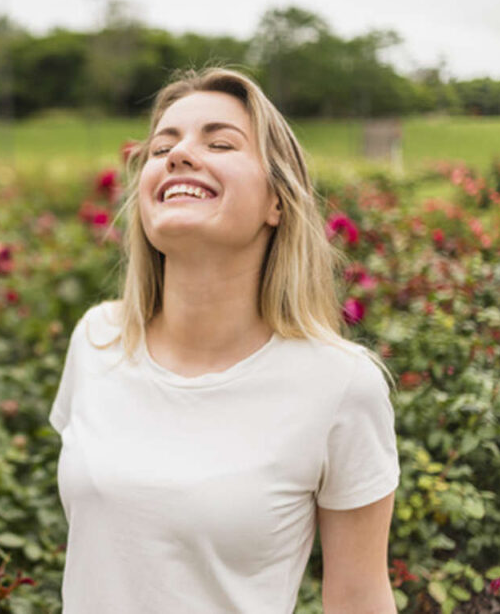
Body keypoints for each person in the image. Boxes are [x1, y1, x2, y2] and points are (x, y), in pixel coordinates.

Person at [49, 67, 401, 613]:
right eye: (162, 146)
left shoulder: (341, 386)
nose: (179, 155)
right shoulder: (97, 341)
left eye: (219, 143)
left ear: (276, 203)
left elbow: (359, 598)